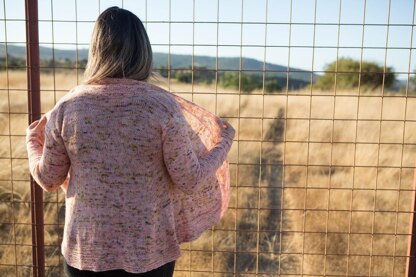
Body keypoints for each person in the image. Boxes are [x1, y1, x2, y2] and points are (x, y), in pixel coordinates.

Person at [26, 7, 235, 277]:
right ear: (143, 51)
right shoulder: (161, 107)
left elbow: (49, 179)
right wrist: (223, 142)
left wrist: (33, 143)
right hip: (151, 253)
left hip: (86, 252)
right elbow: (190, 179)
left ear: (96, 50)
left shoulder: (68, 108)